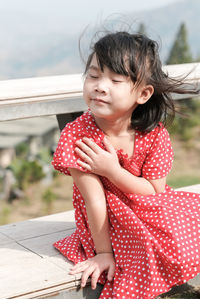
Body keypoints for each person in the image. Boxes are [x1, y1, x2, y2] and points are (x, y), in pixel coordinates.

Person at [52, 31, 200, 298]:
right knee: (140, 253)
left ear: (143, 94)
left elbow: (154, 191)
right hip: (106, 222)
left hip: (150, 206)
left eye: (115, 79)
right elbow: (94, 201)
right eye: (94, 75)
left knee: (187, 236)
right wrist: (104, 254)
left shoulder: (154, 135)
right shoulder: (78, 136)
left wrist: (112, 170)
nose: (99, 85)